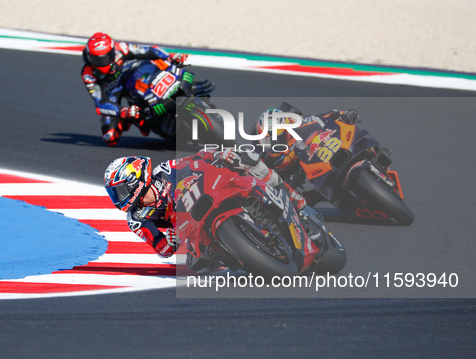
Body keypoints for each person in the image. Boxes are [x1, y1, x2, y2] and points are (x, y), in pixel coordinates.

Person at [103, 149, 305, 272]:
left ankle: (291, 196)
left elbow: (195, 159)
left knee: (246, 159)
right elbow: (161, 249)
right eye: (114, 193)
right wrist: (171, 241)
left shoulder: (164, 171)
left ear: (134, 179)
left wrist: (216, 155)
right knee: (199, 265)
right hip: (189, 229)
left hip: (206, 193)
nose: (118, 197)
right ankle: (252, 260)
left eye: (119, 190)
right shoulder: (136, 219)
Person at [81, 32, 187, 146]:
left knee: (151, 67)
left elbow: (149, 51)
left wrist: (170, 57)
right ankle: (135, 119)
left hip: (129, 76)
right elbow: (101, 103)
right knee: (110, 137)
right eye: (97, 60)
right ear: (88, 57)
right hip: (112, 93)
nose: (103, 63)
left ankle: (171, 84)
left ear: (112, 51)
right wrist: (123, 112)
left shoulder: (121, 48)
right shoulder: (88, 74)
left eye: (106, 57)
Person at [249, 105, 359, 188]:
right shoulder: (265, 156)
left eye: (278, 138)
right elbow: (261, 175)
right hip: (296, 172)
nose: (274, 144)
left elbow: (323, 117)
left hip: (319, 154)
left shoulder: (299, 123)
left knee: (356, 136)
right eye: (268, 141)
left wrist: (343, 114)